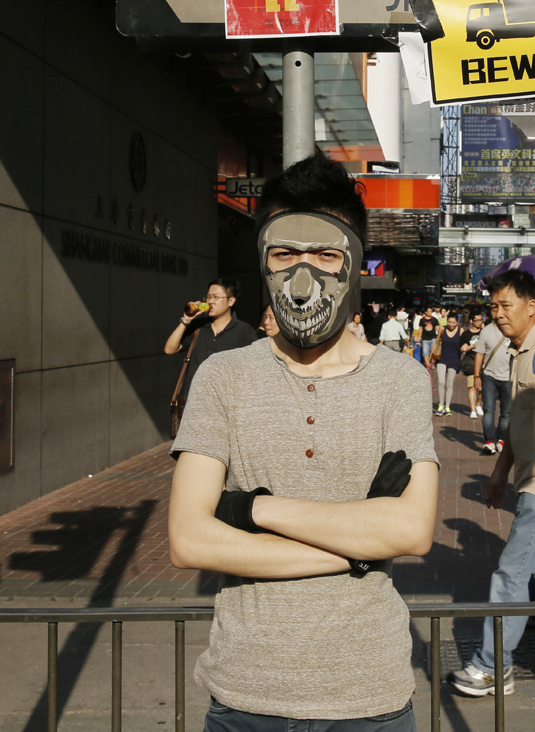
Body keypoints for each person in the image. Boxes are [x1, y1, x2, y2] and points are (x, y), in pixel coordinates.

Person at [168, 152, 439, 732]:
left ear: (355, 263)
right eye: (285, 253)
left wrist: (251, 508)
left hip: (370, 699)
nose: (302, 274)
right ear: (263, 264)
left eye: (324, 254)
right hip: (244, 697)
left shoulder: (401, 380)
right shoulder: (223, 376)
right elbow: (189, 539)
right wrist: (361, 543)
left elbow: (413, 530)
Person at [448, 270, 535, 697]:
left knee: (511, 573)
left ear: (532, 305)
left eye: (505, 305)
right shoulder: (518, 351)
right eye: (493, 306)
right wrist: (498, 473)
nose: (498, 314)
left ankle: (493, 666)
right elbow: (518, 426)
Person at [164, 277, 257, 400]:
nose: (210, 301)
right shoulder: (199, 326)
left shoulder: (243, 331)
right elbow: (170, 349)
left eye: (216, 297)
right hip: (193, 401)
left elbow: (255, 368)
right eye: (208, 297)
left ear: (231, 301)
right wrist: (186, 320)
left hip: (225, 403)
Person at [474, 303, 511, 456]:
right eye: (495, 310)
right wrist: (477, 376)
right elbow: (479, 354)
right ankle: (489, 441)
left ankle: (501, 439)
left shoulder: (512, 328)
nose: (499, 313)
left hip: (509, 376)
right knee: (489, 409)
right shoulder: (486, 331)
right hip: (489, 375)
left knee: (506, 412)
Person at [431, 312, 462, 416]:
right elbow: (436, 342)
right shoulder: (442, 329)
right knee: (440, 382)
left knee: (449, 384)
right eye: (449, 322)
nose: (451, 324)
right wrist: (431, 356)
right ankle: (440, 405)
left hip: (454, 360)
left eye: (453, 322)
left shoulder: (461, 331)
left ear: (457, 322)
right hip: (442, 358)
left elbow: (465, 342)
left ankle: (447, 406)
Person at [461, 313, 485, 419]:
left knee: (482, 388)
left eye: (481, 320)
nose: (480, 322)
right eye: (477, 320)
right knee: (472, 387)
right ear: (471, 321)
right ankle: (473, 410)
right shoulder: (466, 334)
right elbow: (463, 348)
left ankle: (478, 404)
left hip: (484, 363)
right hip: (471, 363)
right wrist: (473, 346)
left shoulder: (484, 333)